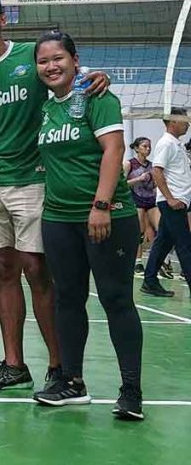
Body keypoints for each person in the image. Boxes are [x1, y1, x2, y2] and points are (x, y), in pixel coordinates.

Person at [0, 0, 108, 392]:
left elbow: (68, 76)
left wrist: (96, 74)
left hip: (33, 180)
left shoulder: (30, 56)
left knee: (38, 271)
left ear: (2, 18)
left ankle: (59, 366)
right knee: (4, 270)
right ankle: (13, 364)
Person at [30, 31, 144, 420]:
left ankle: (131, 391)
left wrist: (101, 205)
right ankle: (71, 382)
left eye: (58, 58)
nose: (51, 66)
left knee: (115, 299)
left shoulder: (98, 98)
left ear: (75, 60)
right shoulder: (47, 108)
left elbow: (114, 150)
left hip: (108, 216)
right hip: (59, 218)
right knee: (67, 298)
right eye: (43, 61)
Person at [139, 110, 191, 298]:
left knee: (163, 242)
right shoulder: (166, 143)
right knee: (185, 245)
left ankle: (150, 281)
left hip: (179, 201)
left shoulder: (176, 145)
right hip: (172, 203)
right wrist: (170, 198)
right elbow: (156, 171)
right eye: (185, 120)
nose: (188, 123)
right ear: (173, 122)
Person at [124, 138, 161, 278]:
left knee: (161, 229)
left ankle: (159, 260)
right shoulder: (129, 164)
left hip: (151, 200)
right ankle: (138, 261)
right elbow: (121, 183)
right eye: (145, 146)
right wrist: (138, 179)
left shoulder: (152, 166)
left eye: (149, 146)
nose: (148, 149)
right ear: (137, 148)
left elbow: (156, 183)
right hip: (136, 200)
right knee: (139, 233)